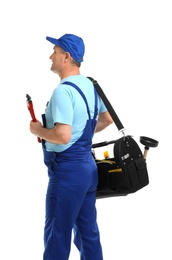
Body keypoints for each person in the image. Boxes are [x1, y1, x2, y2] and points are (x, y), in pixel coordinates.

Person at [29, 33, 113, 260]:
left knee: (57, 235)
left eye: (54, 52)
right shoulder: (92, 85)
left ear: (66, 57)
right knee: (88, 235)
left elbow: (62, 136)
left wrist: (38, 131)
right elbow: (106, 120)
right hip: (88, 169)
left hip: (67, 173)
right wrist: (78, 134)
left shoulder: (63, 91)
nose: (50, 56)